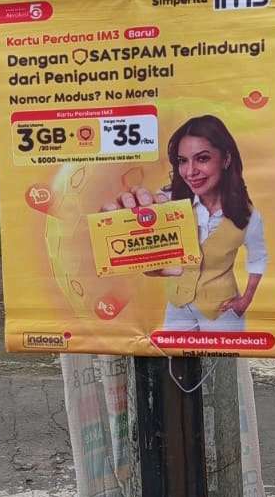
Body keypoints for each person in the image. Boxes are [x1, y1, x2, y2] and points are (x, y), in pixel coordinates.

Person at [101, 113, 266, 333]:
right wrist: (116, 225)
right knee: (174, 354)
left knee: (222, 357)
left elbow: (258, 258)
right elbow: (138, 245)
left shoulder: (247, 214)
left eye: (202, 158)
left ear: (226, 159)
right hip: (178, 307)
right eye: (182, 161)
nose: (190, 172)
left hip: (222, 311)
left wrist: (245, 300)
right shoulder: (168, 200)